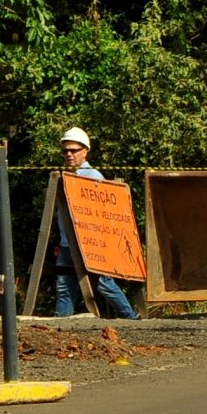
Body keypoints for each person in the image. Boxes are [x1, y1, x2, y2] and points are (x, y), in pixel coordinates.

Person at [49, 127, 138, 319]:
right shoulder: (66, 177)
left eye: (73, 150)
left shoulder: (93, 177)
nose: (69, 154)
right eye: (66, 150)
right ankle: (61, 325)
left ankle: (131, 319)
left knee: (103, 283)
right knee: (65, 285)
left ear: (85, 151)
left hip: (91, 245)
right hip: (67, 244)